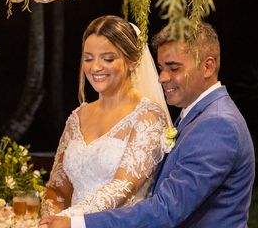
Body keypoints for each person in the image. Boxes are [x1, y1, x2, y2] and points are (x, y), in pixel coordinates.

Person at [40, 21, 255, 228]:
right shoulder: (196, 117)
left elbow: (167, 209)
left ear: (208, 66)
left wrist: (74, 223)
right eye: (161, 67)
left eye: (173, 68)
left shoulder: (217, 124)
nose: (162, 77)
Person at [41, 15, 172, 219]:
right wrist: (49, 219)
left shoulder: (148, 117)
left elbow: (121, 188)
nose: (95, 67)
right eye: (88, 58)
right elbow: (57, 190)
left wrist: (67, 220)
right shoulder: (77, 116)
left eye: (108, 58)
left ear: (131, 60)